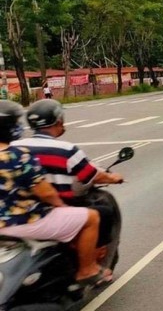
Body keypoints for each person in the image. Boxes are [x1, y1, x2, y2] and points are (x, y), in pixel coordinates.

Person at [0, 100, 111, 286]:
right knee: (91, 217)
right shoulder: (17, 155)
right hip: (21, 221)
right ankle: (87, 270)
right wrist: (60, 206)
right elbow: (46, 193)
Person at [12, 99, 124, 251]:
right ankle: (92, 263)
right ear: (58, 121)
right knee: (104, 213)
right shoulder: (66, 149)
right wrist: (113, 178)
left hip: (16, 210)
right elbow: (93, 176)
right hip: (50, 211)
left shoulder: (14, 147)